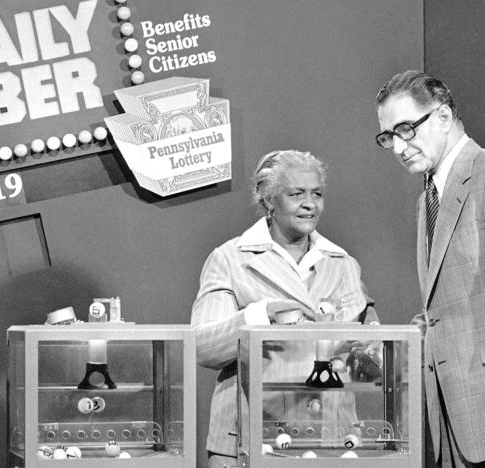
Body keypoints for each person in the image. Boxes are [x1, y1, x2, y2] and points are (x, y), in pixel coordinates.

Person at [191, 150, 378, 468]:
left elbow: (367, 360)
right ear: (268, 199)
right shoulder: (230, 259)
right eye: (296, 194)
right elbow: (204, 346)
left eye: (317, 193)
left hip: (332, 440)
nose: (310, 204)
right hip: (252, 440)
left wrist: (369, 350)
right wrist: (260, 315)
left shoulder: (344, 264)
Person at [375, 70, 485, 468]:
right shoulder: (429, 197)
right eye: (388, 137)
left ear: (442, 117)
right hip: (449, 414)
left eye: (406, 129)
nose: (398, 147)